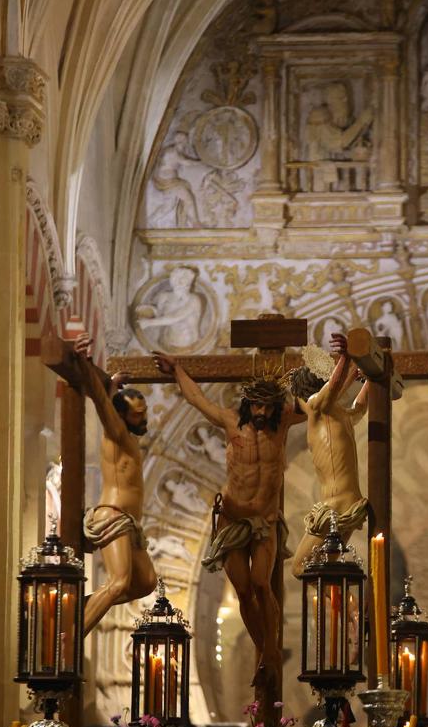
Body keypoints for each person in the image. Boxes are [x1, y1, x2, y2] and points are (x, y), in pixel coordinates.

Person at [152, 351, 305, 682]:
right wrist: (177, 370)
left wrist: (342, 366)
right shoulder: (230, 422)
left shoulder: (284, 423)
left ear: (276, 406)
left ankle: (270, 651)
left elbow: (317, 403)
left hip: (264, 521)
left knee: (263, 584)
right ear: (248, 403)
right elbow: (196, 399)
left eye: (268, 406)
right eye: (257, 406)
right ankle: (265, 650)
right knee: (243, 591)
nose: (262, 413)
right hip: (232, 518)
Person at [73, 333, 158, 634]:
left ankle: (80, 606)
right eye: (138, 415)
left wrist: (111, 386)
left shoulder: (125, 434)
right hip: (113, 516)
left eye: (144, 413)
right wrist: (84, 362)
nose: (143, 419)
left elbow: (106, 399)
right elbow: (99, 401)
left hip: (130, 522)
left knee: (146, 582)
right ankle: (71, 638)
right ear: (122, 416)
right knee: (119, 581)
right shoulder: (117, 433)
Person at [289, 335, 369, 577]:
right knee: (329, 570)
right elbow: (359, 406)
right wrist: (369, 380)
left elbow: (332, 388)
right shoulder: (341, 416)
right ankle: (351, 614)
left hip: (333, 507)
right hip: (351, 503)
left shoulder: (314, 404)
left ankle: (350, 612)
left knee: (299, 568)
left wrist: (346, 357)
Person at [136, 265, 203, 350]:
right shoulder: (165, 296)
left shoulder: (194, 300)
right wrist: (149, 310)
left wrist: (149, 322)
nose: (182, 284)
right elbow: (160, 315)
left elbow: (175, 317)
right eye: (179, 280)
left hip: (187, 343)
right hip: (166, 340)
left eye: (185, 281)